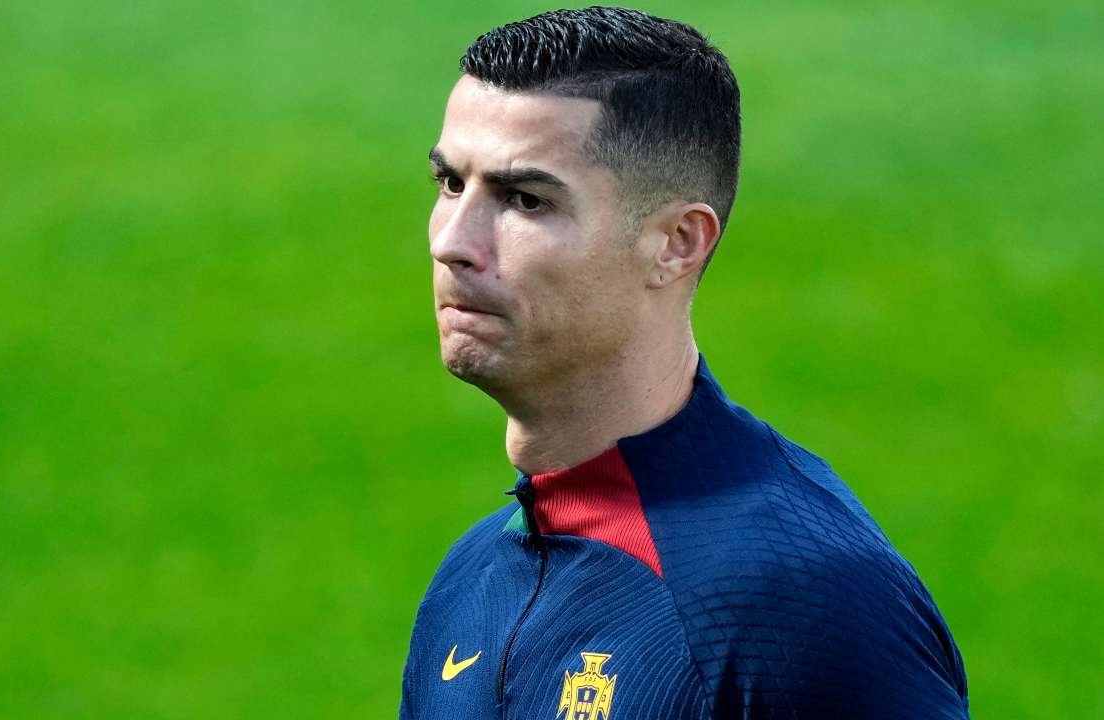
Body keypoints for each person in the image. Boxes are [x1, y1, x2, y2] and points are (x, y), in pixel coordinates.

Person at [400, 7, 968, 719]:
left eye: (526, 200)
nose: (451, 243)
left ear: (676, 243)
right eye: (451, 184)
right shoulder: (471, 577)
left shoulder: (798, 605)